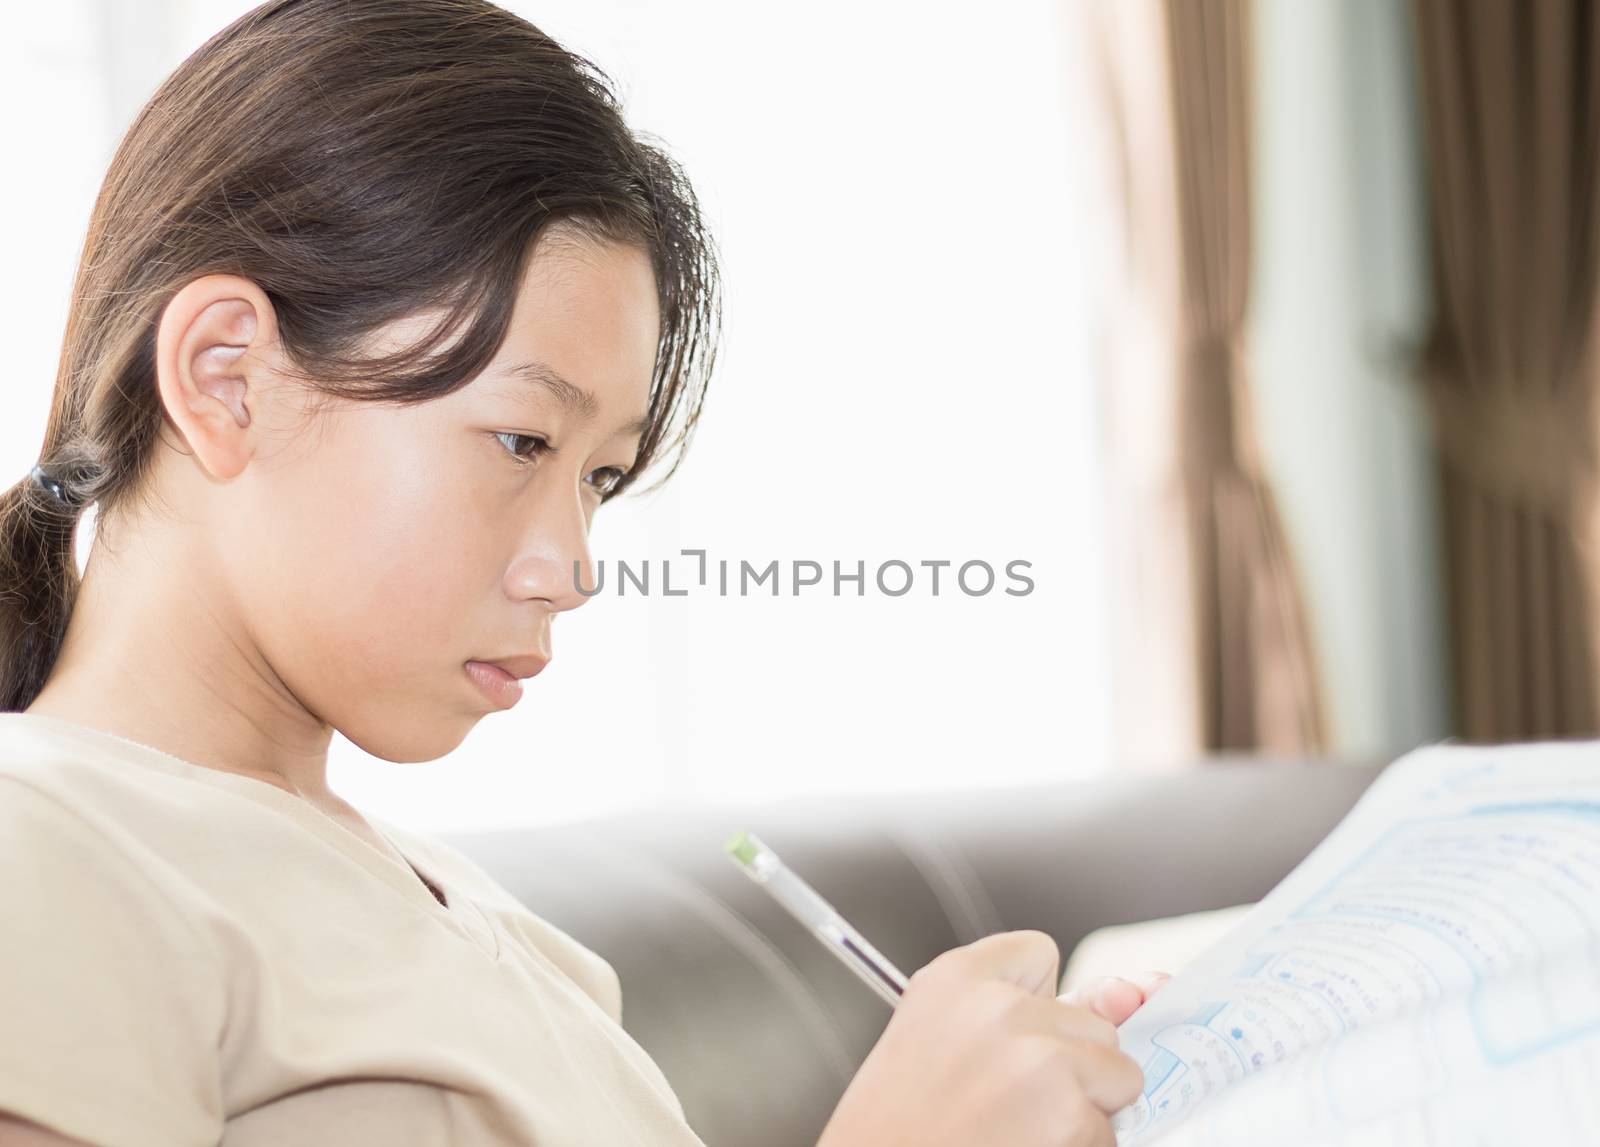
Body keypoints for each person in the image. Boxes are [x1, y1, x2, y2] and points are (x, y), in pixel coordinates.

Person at [0, 2, 1163, 1144]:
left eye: (599, 478)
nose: (573, 568)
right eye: (522, 442)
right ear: (226, 378)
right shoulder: (42, 842)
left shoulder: (468, 912)